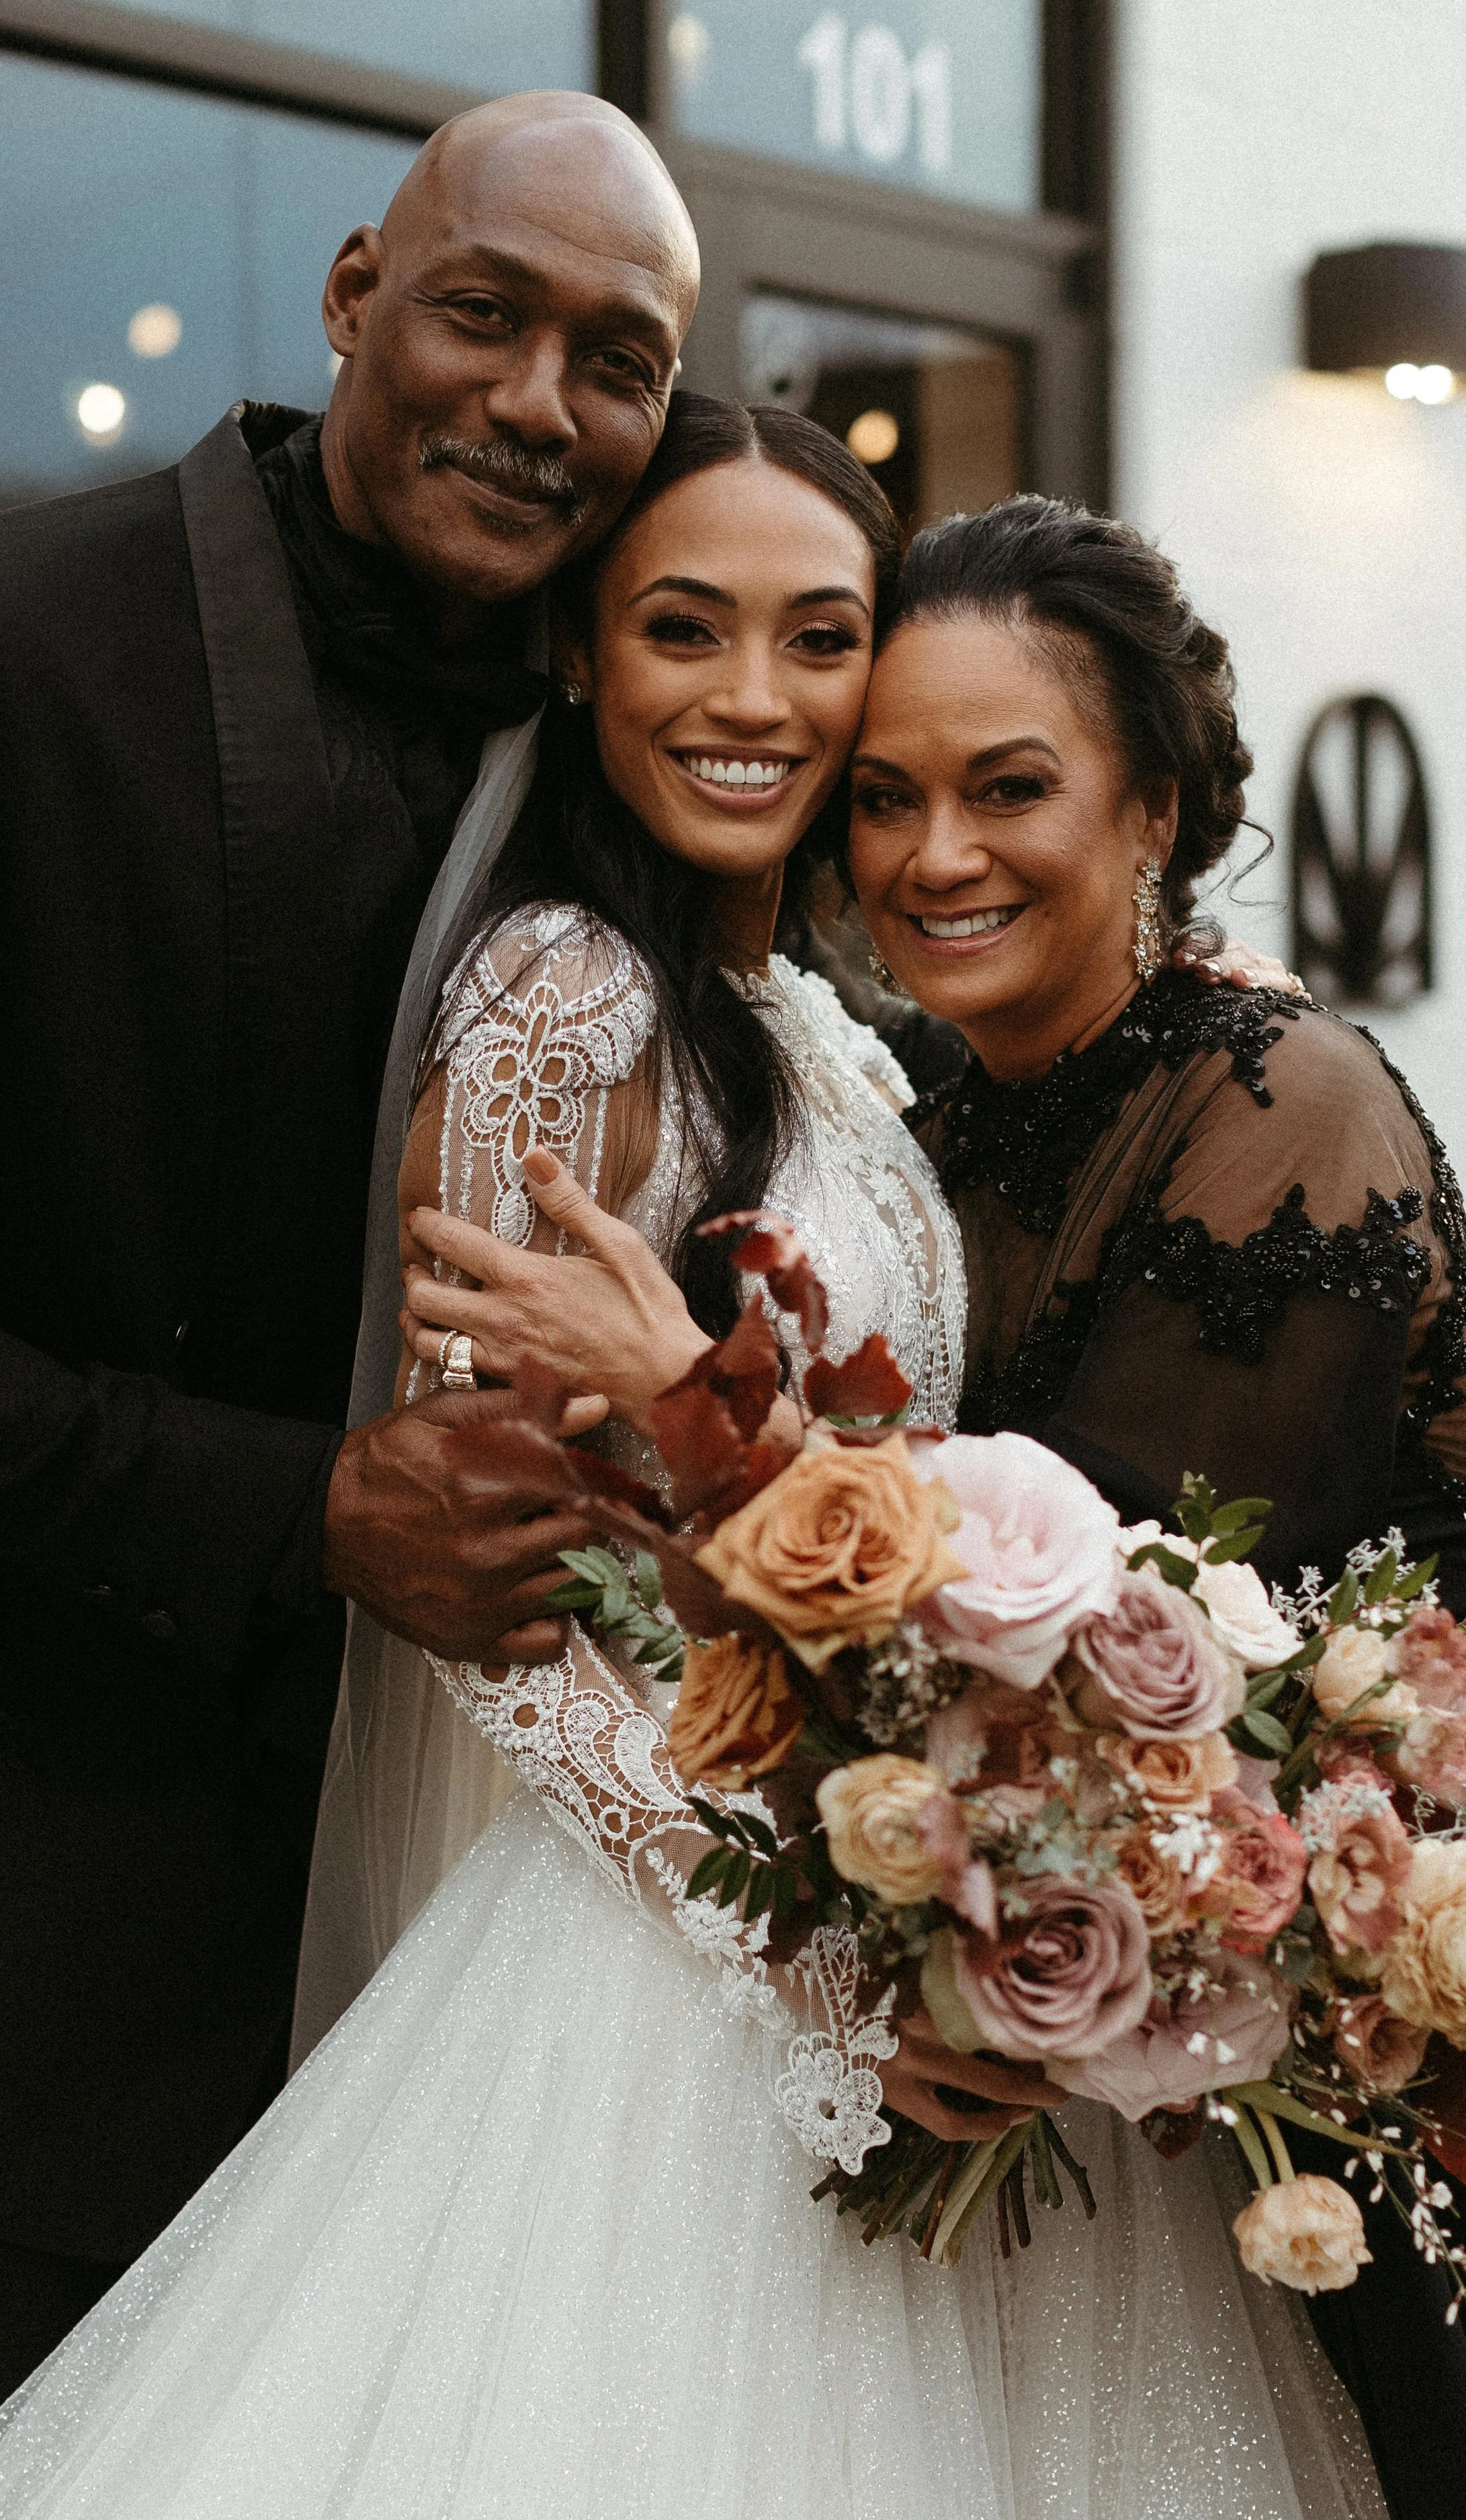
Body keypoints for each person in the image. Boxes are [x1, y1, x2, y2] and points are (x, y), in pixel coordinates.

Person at [0, 405, 1382, 2520]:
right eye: (684, 630)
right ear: (586, 659)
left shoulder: (817, 1033)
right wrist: (820, 1957)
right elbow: (496, 1600)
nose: (753, 698)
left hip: (860, 1887)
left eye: (816, 637)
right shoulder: (560, 995)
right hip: (669, 1967)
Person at [0, 87, 701, 2520]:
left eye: (615, 359)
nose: (535, 400)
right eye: (484, 312)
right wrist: (295, 1506)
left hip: (463, 1986)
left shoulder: (647, 729)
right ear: (349, 298)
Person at [845, 495, 1466, 2520]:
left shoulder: (1282, 1101)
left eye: (1006, 784)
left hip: (1363, 2065)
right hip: (1125, 2020)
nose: (932, 855)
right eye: (880, 795)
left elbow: (1125, 1656)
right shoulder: (906, 1120)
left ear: (1158, 807)